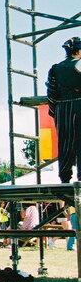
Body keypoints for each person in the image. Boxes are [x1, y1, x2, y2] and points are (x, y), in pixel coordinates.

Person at [47, 37, 81, 183]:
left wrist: (55, 112)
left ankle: (65, 177)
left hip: (63, 108)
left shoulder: (55, 68)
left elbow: (52, 93)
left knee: (65, 143)